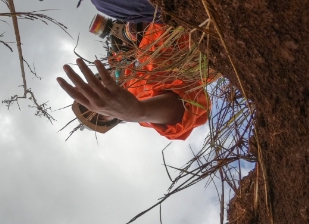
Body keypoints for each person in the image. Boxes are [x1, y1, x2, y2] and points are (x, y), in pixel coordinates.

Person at [59, 2, 210, 140]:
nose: (98, 103)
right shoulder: (138, 98)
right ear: (115, 117)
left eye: (89, 100)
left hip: (160, 12)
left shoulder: (115, 55)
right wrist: (140, 111)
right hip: (187, 29)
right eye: (102, 113)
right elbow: (187, 109)